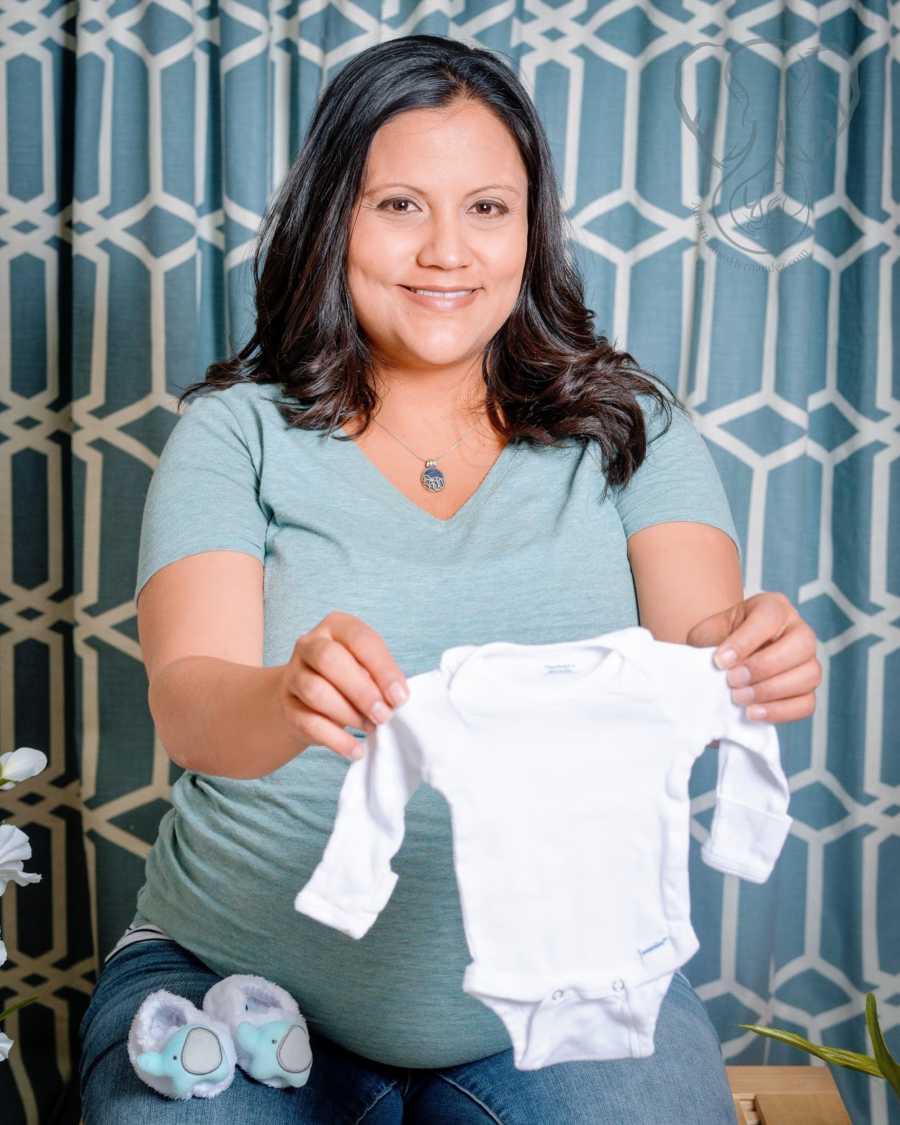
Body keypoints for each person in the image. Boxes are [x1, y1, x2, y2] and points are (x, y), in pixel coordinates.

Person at [78, 33, 821, 1123]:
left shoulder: (631, 429)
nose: (447, 252)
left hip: (578, 976)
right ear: (334, 218)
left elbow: (701, 644)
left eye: (487, 208)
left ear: (533, 227)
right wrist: (287, 694)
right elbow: (189, 700)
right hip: (233, 978)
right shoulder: (234, 433)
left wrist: (753, 660)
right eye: (399, 207)